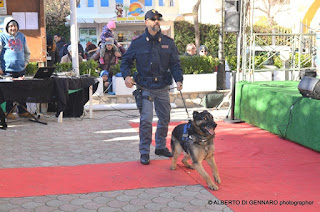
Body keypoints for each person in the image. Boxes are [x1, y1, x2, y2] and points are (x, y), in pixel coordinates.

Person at [120, 9, 183, 165]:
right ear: (146, 22)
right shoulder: (137, 43)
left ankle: (160, 146)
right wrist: (127, 76)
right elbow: (125, 62)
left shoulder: (168, 42)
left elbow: (175, 63)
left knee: (164, 118)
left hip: (162, 86)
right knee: (146, 120)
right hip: (145, 86)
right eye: (153, 19)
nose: (156, 22)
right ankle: (144, 151)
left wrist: (179, 79)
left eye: (158, 19)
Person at [0, 17, 31, 120]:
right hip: (7, 70)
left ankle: (22, 111)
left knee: (22, 91)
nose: (13, 28)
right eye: (11, 26)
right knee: (9, 92)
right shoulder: (2, 37)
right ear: (7, 27)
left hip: (20, 70)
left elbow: (27, 52)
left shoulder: (21, 36)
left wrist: (25, 63)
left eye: (15, 26)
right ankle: (8, 112)